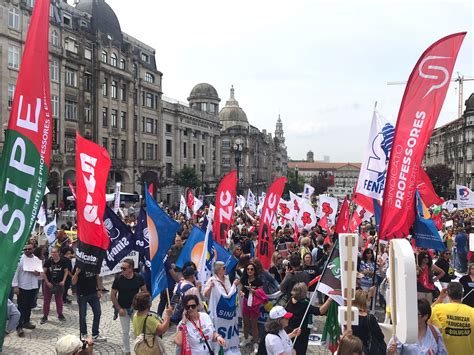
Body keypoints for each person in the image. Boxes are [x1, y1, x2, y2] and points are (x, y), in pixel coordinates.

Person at [111, 258, 147, 355]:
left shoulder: (139, 277)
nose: (122, 270)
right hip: (123, 309)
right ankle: (127, 351)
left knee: (139, 330)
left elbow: (145, 292)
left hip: (136, 309)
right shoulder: (118, 278)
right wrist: (118, 309)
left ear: (131, 268)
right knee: (125, 331)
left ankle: (140, 349)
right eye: (121, 268)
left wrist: (144, 305)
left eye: (124, 268)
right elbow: (112, 295)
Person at [203, 261, 241, 354]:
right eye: (223, 268)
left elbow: (230, 293)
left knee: (230, 328)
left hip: (228, 311)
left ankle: (229, 345)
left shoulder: (227, 278)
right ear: (218, 270)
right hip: (218, 312)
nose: (225, 269)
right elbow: (205, 295)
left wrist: (236, 289)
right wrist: (210, 288)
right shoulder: (212, 280)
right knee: (218, 328)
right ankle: (218, 348)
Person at [285, 283, 332, 354]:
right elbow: (320, 311)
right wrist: (329, 300)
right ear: (304, 293)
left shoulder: (290, 300)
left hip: (288, 331)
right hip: (300, 334)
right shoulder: (304, 304)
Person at [430, 282, 474, 355]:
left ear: (448, 294)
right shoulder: (472, 311)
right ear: (462, 294)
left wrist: (440, 298)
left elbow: (427, 312)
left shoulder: (438, 309)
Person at [12, 243, 41, 337]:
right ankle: (19, 326)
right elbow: (15, 273)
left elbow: (40, 274)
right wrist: (15, 286)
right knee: (21, 307)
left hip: (33, 286)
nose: (27, 250)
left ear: (33, 249)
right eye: (26, 249)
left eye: (30, 249)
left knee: (29, 306)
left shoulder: (36, 259)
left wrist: (37, 273)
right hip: (23, 286)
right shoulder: (20, 259)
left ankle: (26, 322)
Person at [71, 266, 105, 341]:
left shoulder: (93, 262)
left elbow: (97, 276)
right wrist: (77, 273)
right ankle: (84, 333)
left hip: (93, 292)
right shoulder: (79, 264)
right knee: (82, 315)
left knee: (98, 312)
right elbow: (73, 282)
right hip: (82, 294)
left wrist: (99, 289)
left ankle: (95, 334)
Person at [351, 289, 386, 354]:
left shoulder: (348, 316)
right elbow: (380, 336)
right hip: (364, 350)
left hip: (350, 349)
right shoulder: (370, 318)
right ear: (364, 301)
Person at [240, 261, 265, 351]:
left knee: (254, 325)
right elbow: (242, 289)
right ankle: (246, 339)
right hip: (246, 302)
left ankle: (255, 343)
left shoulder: (258, 281)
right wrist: (242, 293)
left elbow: (261, 293)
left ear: (254, 271)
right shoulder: (244, 279)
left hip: (254, 304)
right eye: (248, 269)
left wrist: (253, 291)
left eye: (251, 269)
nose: (249, 271)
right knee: (245, 323)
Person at [41, 246, 69, 324]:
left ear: (58, 253)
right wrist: (47, 282)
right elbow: (43, 272)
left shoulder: (63, 261)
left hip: (59, 283)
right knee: (46, 301)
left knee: (59, 300)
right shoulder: (48, 261)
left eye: (55, 252)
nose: (54, 254)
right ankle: (45, 316)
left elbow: (66, 271)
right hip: (49, 283)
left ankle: (60, 314)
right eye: (52, 252)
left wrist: (63, 281)